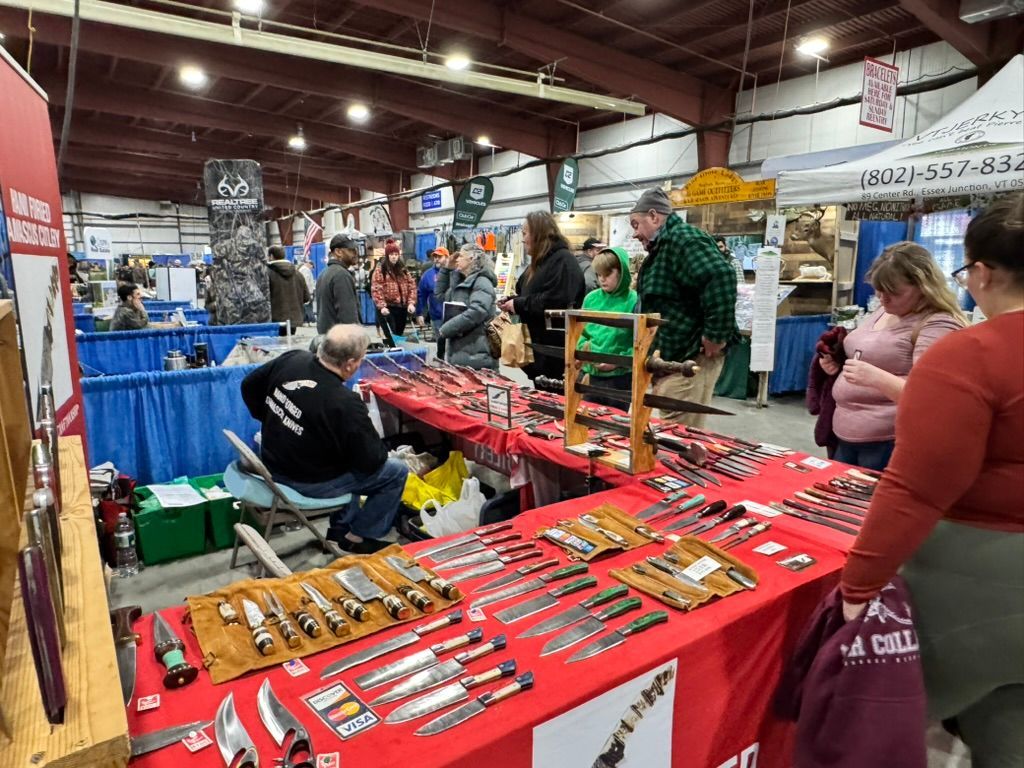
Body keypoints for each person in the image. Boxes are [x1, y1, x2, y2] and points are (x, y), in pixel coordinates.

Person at [840, 195, 1024, 766]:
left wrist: (859, 585)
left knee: (895, 722)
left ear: (984, 272)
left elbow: (915, 488)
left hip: (982, 574)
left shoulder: (969, 354)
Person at [240, 323, 409, 554]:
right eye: (360, 359)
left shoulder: (292, 359)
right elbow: (372, 461)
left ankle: (339, 529)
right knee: (396, 471)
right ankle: (360, 536)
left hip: (271, 461)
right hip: (303, 481)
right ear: (349, 364)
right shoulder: (345, 402)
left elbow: (248, 385)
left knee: (345, 456)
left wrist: (272, 417)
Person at [821, 242, 967, 470]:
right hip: (847, 436)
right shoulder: (886, 309)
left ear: (923, 286)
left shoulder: (937, 324)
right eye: (878, 290)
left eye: (893, 292)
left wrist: (875, 377)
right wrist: (837, 365)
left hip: (886, 443)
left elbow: (929, 398)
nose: (883, 299)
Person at [630, 187, 737, 428]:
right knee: (671, 432)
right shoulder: (664, 248)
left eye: (636, 225)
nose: (635, 234)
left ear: (654, 217)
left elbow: (721, 277)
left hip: (687, 360)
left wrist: (716, 336)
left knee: (678, 434)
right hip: (671, 361)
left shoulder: (684, 240)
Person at [497, 211, 585, 381]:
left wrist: (519, 304)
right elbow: (529, 293)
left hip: (555, 353)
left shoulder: (563, 261)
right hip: (537, 351)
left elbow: (556, 300)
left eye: (525, 233)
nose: (523, 239)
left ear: (538, 234)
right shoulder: (539, 264)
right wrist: (512, 301)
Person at [578, 247, 638, 407]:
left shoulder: (635, 300)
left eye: (607, 274)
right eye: (599, 274)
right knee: (585, 421)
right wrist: (585, 352)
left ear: (622, 272)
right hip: (590, 374)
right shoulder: (591, 299)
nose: (602, 279)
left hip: (620, 378)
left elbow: (640, 342)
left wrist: (618, 361)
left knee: (614, 426)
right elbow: (579, 332)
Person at [435, 243, 499, 370]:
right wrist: (447, 269)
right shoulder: (460, 282)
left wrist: (447, 329)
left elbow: (477, 311)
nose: (457, 259)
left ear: (471, 259)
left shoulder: (482, 281)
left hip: (477, 353)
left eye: (461, 256)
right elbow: (440, 296)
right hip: (461, 350)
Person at [315, 235, 361, 334]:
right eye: (351, 250)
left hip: (328, 337)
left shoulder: (324, 273)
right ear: (338, 252)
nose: (355, 253)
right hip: (340, 341)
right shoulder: (341, 275)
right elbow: (348, 315)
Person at [371, 240, 417, 336]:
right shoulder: (381, 270)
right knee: (391, 336)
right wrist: (382, 306)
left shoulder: (403, 269)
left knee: (399, 334)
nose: (394, 256)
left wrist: (411, 303)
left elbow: (411, 286)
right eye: (391, 254)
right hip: (387, 308)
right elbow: (376, 288)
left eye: (396, 254)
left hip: (402, 307)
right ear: (387, 255)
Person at [266, 245, 309, 329]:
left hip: (275, 321)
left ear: (271, 256)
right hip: (295, 320)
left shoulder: (267, 274)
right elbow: (306, 298)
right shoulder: (298, 274)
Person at [417, 248, 448, 359]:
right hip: (437, 316)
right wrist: (420, 313)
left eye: (440, 257)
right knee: (440, 344)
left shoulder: (455, 273)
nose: (437, 259)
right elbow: (421, 294)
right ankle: (441, 365)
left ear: (447, 257)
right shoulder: (428, 275)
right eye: (435, 257)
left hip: (454, 316)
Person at [298, 258, 316, 326]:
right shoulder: (306, 270)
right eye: (312, 267)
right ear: (309, 264)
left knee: (305, 307)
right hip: (308, 291)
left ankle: (306, 321)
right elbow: (307, 282)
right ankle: (311, 320)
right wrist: (310, 292)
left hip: (304, 291)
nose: (312, 268)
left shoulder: (302, 269)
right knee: (308, 306)